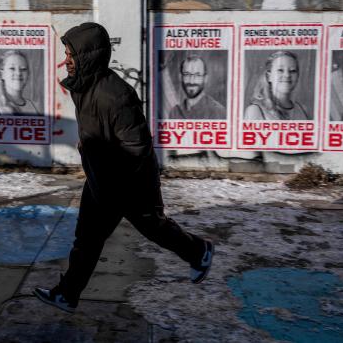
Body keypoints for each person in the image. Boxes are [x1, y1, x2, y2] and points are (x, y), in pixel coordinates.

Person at [33, 22, 213, 313]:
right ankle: (67, 294)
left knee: (154, 228)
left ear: (88, 56)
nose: (66, 60)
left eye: (71, 55)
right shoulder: (84, 86)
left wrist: (112, 180)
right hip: (101, 178)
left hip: (130, 182)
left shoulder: (117, 96)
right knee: (87, 239)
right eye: (66, 53)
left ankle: (199, 251)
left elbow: (136, 148)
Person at [244, 51, 310, 121]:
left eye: (293, 70)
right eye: (280, 70)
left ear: (297, 76)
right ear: (269, 76)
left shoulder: (302, 110)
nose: (287, 75)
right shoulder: (255, 111)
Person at [0, 50, 40, 115]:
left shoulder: (32, 105)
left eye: (23, 69)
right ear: (2, 74)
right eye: (12, 68)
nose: (18, 73)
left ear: (28, 75)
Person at [168, 54, 226, 119]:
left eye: (197, 75)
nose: (191, 81)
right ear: (180, 77)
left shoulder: (218, 112)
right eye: (187, 74)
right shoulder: (174, 112)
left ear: (205, 78)